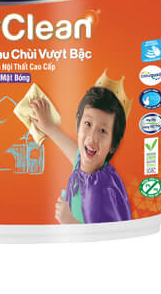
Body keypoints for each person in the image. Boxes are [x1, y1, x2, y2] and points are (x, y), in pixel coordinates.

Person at [30, 86, 132, 224]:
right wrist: (49, 128)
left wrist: (69, 221)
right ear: (77, 126)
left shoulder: (102, 192)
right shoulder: (86, 166)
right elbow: (75, 154)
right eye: (88, 124)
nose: (92, 137)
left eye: (102, 131)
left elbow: (105, 235)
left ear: (113, 145)